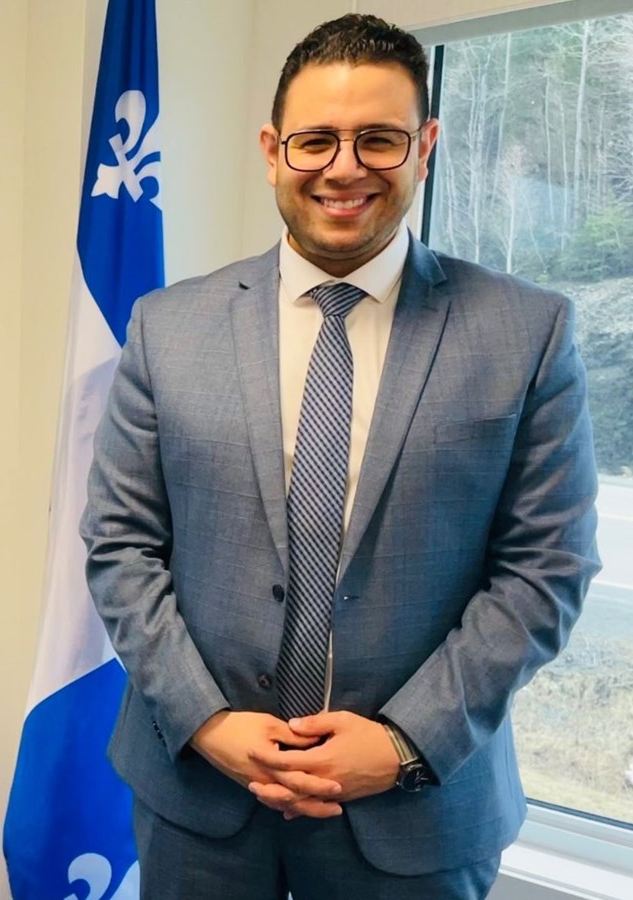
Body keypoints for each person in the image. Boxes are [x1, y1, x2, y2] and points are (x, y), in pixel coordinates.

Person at [80, 15, 599, 900]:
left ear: (425, 144)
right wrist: (205, 720)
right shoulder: (168, 327)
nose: (344, 167)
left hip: (417, 817)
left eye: (379, 139)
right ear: (273, 150)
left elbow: (544, 571)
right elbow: (120, 546)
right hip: (200, 804)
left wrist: (402, 740)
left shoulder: (527, 333)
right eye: (316, 139)